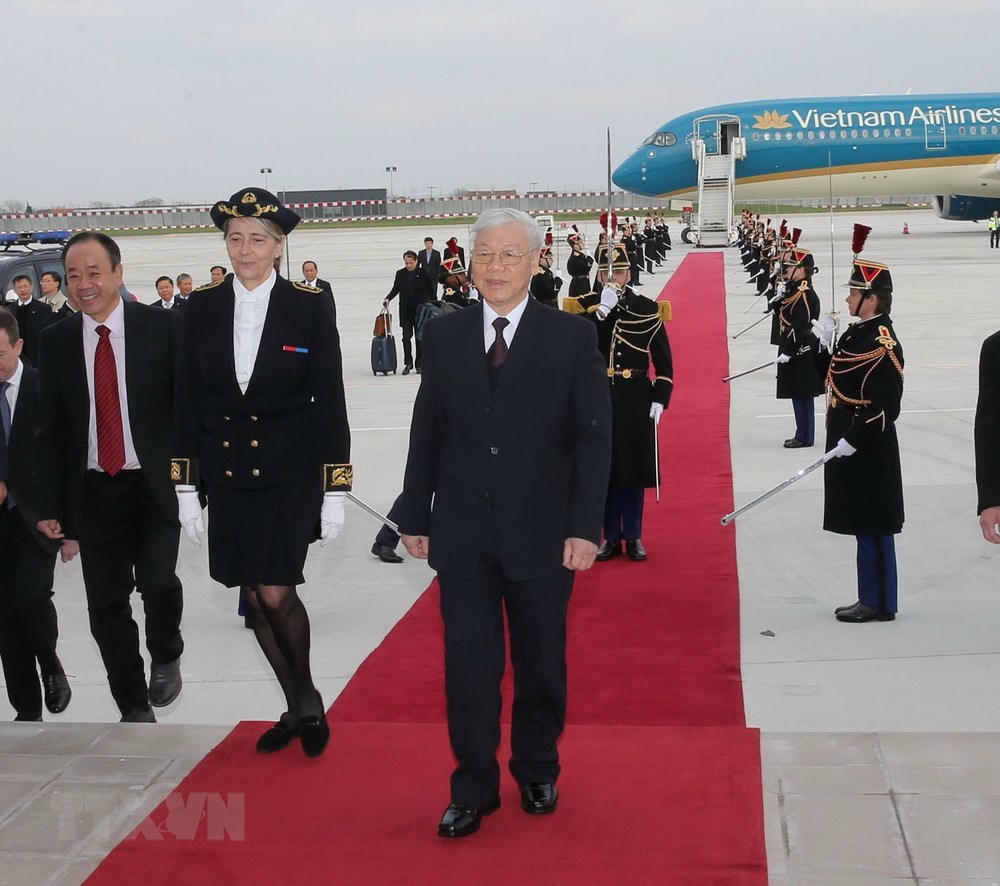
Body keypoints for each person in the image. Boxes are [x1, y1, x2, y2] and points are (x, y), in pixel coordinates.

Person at [394, 207, 612, 838]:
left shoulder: (571, 337)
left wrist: (585, 527)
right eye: (484, 254)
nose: (495, 266)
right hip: (462, 531)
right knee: (469, 668)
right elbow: (427, 429)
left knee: (540, 662)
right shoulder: (444, 334)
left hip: (543, 533)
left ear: (537, 260)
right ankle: (473, 787)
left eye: (510, 254)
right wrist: (415, 510)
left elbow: (594, 438)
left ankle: (537, 765)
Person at [173, 187, 351, 758]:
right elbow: (187, 400)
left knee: (275, 591)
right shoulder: (201, 307)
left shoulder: (308, 305)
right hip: (227, 473)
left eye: (257, 239)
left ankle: (307, 699)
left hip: (289, 472)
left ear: (279, 247)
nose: (245, 249)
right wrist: (185, 485)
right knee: (252, 595)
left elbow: (330, 399)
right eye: (235, 238)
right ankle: (297, 706)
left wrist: (335, 489)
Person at [35, 232, 185, 722]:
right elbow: (51, 430)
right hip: (94, 490)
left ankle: (166, 651)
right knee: (106, 606)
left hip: (154, 484)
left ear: (118, 273)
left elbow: (189, 408)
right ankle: (133, 706)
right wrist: (50, 508)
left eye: (94, 273)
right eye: (74, 275)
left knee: (158, 584)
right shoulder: (56, 341)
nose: (84, 284)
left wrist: (195, 482)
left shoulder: (162, 328)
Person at [564, 243, 673, 561]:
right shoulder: (585, 307)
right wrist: (602, 311)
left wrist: (660, 397)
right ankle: (610, 536)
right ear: (599, 276)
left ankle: (634, 535)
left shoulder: (647, 308)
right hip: (599, 396)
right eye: (606, 273)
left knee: (634, 468)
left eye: (619, 272)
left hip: (635, 396)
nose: (612, 278)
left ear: (628, 274)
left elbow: (663, 361)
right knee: (605, 469)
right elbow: (580, 349)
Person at [815, 239, 904, 623]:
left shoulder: (883, 342)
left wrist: (853, 438)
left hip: (868, 445)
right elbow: (831, 377)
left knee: (874, 524)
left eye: (854, 293)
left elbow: (887, 407)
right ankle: (871, 596)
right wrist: (823, 344)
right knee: (863, 523)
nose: (849, 299)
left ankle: (878, 601)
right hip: (849, 439)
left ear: (872, 298)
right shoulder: (857, 334)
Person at [0, 311, 71, 721]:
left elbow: (68, 456)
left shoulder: (46, 389)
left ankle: (50, 663)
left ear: (19, 346)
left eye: (0, 354)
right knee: (5, 617)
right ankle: (26, 711)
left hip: (38, 518)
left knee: (30, 596)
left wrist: (70, 522)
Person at [775, 248, 824, 448]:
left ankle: (805, 436)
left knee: (803, 394)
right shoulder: (794, 290)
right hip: (793, 344)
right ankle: (801, 432)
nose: (787, 269)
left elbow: (800, 325)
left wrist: (788, 351)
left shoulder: (804, 294)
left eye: (791, 266)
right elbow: (782, 315)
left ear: (802, 269)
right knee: (797, 393)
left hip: (800, 348)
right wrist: (779, 298)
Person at [383, 250, 430, 375]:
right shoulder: (400, 274)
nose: (408, 265)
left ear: (416, 261)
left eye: (411, 263)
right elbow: (395, 289)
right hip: (406, 312)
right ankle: (408, 363)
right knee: (406, 338)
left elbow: (431, 290)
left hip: (420, 312)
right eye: (406, 263)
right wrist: (388, 299)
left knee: (419, 339)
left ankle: (419, 364)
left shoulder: (423, 273)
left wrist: (433, 305)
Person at [2, 275, 50, 367]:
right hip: (16, 356)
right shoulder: (9, 310)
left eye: (25, 286)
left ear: (31, 287)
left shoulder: (43, 308)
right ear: (14, 290)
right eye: (19, 287)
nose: (23, 290)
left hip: (37, 356)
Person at [300, 260, 336, 325]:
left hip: (320, 323)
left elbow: (331, 307)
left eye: (311, 270)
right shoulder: (299, 286)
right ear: (303, 272)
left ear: (316, 271)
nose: (309, 273)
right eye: (306, 271)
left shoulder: (324, 286)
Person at [565, 228, 593, 298]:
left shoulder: (580, 255)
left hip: (583, 284)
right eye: (580, 242)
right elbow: (586, 268)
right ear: (575, 245)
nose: (582, 243)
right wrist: (590, 259)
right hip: (579, 287)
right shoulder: (575, 257)